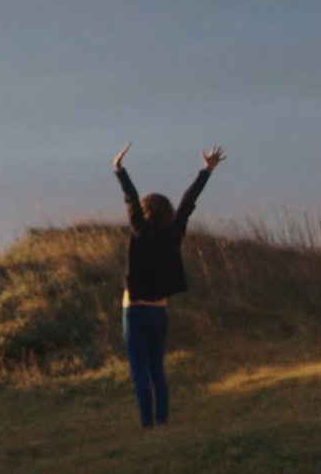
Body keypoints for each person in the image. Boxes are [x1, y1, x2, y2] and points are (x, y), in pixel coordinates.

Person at [113, 142, 225, 428]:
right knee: (157, 370)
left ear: (145, 211)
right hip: (159, 312)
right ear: (167, 212)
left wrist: (120, 169)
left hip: (135, 311)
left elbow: (130, 197)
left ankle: (147, 425)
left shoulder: (139, 229)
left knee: (139, 372)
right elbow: (188, 202)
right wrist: (206, 170)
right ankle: (162, 421)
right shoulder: (174, 232)